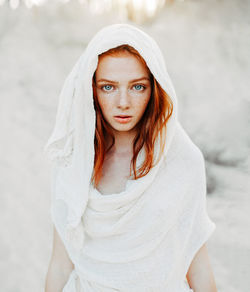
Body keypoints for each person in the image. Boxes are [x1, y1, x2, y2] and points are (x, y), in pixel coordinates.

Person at [44, 23, 217, 292]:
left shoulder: (183, 161)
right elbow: (60, 264)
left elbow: (198, 264)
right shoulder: (72, 162)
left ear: (154, 89)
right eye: (108, 87)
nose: (123, 102)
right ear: (92, 89)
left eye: (137, 87)